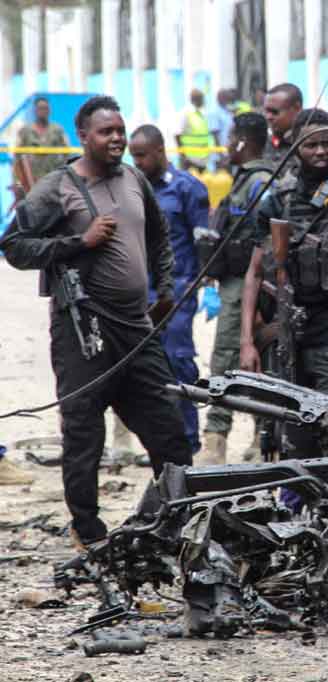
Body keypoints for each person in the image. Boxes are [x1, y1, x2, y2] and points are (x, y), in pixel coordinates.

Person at [0, 95, 193, 548]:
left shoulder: (134, 180)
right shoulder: (57, 187)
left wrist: (163, 293)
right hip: (82, 332)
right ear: (83, 136)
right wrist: (77, 242)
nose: (117, 139)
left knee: (169, 431)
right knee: (85, 435)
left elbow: (160, 236)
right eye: (106, 132)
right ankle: (88, 533)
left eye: (121, 131)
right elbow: (13, 245)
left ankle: (178, 522)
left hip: (135, 330)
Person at [239, 108, 328, 431]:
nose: (320, 151)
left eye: (327, 142)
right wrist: (247, 342)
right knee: (290, 434)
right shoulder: (275, 201)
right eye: (310, 145)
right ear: (294, 146)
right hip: (287, 339)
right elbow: (254, 273)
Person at [196, 112, 275, 465]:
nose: (227, 145)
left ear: (243, 141)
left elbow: (267, 243)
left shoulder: (260, 181)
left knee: (228, 361)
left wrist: (257, 300)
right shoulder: (245, 179)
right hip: (234, 283)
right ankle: (249, 438)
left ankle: (223, 441)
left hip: (247, 287)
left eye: (232, 138)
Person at [128, 124, 210, 455]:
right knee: (145, 369)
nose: (137, 163)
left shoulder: (188, 189)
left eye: (142, 156)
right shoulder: (131, 188)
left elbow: (204, 242)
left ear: (161, 151)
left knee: (178, 362)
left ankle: (188, 440)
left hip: (176, 292)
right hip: (137, 292)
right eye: (132, 157)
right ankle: (159, 442)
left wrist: (199, 284)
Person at [14, 96, 70, 193]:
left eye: (46, 108)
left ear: (49, 110)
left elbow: (67, 153)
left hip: (53, 179)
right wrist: (17, 182)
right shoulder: (25, 131)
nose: (43, 111)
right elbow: (17, 157)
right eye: (40, 108)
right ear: (35, 111)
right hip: (31, 180)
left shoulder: (57, 130)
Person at [262, 82, 303, 172]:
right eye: (266, 111)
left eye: (274, 112)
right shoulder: (262, 144)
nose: (268, 117)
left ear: (297, 109)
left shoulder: (309, 145)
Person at [177, 88, 214, 171]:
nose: (204, 102)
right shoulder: (186, 113)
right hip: (189, 160)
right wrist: (183, 156)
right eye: (202, 99)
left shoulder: (201, 114)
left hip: (202, 159)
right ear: (195, 100)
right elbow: (177, 135)